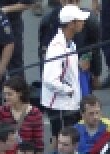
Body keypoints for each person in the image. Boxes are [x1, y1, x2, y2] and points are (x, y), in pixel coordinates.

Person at [41, 4, 90, 135]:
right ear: (71, 24)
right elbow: (50, 80)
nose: (83, 23)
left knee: (70, 141)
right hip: (60, 106)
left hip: (69, 104)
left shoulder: (70, 43)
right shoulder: (57, 48)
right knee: (63, 142)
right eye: (80, 20)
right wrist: (69, 90)